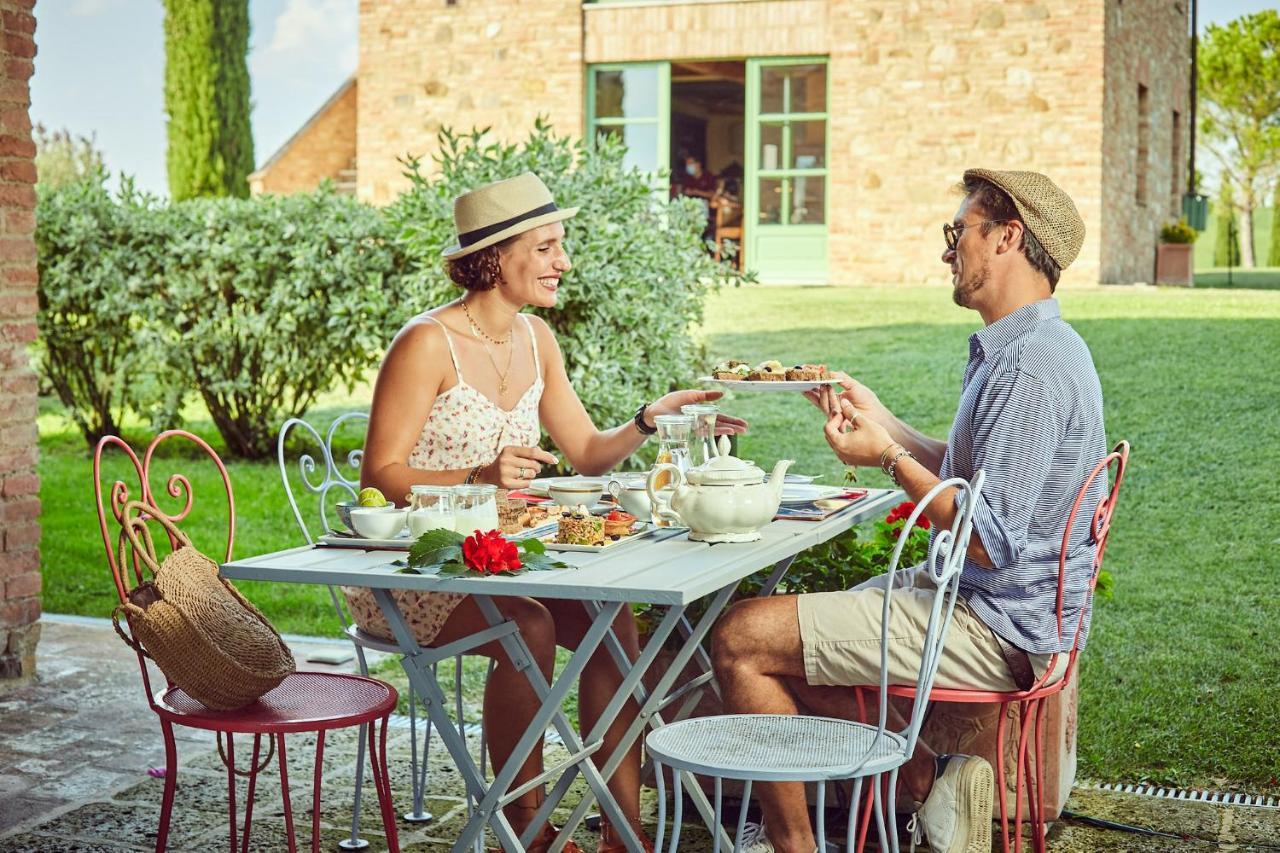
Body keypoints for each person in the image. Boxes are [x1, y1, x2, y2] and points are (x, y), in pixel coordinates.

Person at [711, 168, 1106, 853]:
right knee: (775, 640)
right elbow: (968, 477)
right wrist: (883, 423)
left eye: (959, 232)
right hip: (985, 605)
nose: (947, 250)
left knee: (740, 638)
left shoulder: (1029, 370)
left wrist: (888, 460)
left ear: (1008, 237)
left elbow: (987, 540)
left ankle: (797, 843)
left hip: (995, 627)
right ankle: (929, 778)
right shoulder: (1021, 349)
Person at [354, 172, 747, 853]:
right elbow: (380, 474)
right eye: (547, 247)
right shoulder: (426, 343)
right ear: (500, 256)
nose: (563, 262)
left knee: (612, 618)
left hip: (504, 561)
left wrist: (649, 419)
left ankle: (622, 834)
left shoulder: (536, 339)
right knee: (528, 626)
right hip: (417, 568)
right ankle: (524, 832)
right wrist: (476, 474)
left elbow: (590, 452)